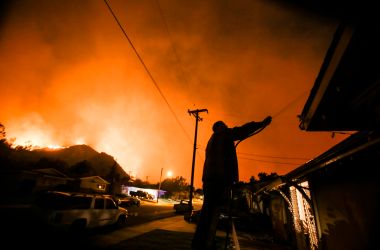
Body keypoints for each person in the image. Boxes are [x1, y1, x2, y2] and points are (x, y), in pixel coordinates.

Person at [191, 116, 272, 250]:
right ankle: (204, 245)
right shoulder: (223, 135)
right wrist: (261, 124)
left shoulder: (212, 140)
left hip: (209, 181)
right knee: (212, 213)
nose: (227, 126)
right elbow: (241, 130)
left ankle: (201, 244)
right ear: (220, 127)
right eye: (224, 125)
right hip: (218, 181)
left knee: (208, 214)